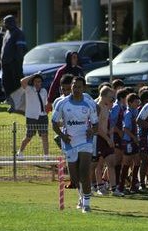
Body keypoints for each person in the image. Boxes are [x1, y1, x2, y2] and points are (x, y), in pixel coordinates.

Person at [52, 76, 98, 213]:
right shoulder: (62, 103)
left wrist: (92, 130)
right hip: (70, 142)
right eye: (74, 86)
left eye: (79, 87)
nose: (76, 89)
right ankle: (81, 196)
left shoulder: (89, 104)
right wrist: (63, 136)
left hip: (85, 140)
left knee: (85, 170)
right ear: (71, 87)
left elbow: (96, 124)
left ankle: (87, 204)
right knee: (75, 177)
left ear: (83, 88)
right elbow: (54, 123)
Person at [16, 73, 49, 159]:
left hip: (43, 116)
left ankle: (46, 156)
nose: (38, 83)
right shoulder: (29, 89)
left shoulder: (44, 91)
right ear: (33, 82)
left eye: (39, 81)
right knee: (29, 136)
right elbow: (22, 81)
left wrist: (47, 109)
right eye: (36, 81)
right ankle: (20, 152)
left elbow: (45, 103)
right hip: (32, 117)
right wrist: (34, 75)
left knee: (44, 136)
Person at [0, 15, 27, 111]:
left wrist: (16, 62)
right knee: (7, 85)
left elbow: (20, 50)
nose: (4, 24)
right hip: (5, 65)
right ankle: (12, 105)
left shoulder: (18, 33)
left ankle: (20, 106)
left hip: (14, 65)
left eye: (5, 22)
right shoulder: (7, 33)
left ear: (11, 22)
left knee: (16, 85)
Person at [117, 93, 140, 196]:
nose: (138, 103)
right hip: (128, 141)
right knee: (126, 162)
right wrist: (134, 137)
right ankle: (121, 186)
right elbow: (125, 128)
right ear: (130, 103)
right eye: (136, 101)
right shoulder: (127, 113)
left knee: (137, 161)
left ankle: (133, 185)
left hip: (134, 140)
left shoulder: (135, 112)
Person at [94, 86, 116, 196]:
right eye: (111, 97)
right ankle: (99, 187)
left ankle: (114, 188)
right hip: (99, 138)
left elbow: (106, 123)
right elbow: (96, 127)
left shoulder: (106, 106)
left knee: (111, 162)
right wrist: (107, 139)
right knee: (99, 164)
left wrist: (110, 134)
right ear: (104, 96)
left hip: (106, 137)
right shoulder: (97, 107)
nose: (113, 100)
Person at [110, 88, 128, 192]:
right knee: (116, 160)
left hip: (120, 137)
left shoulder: (123, 107)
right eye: (126, 97)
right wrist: (119, 132)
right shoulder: (117, 107)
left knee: (120, 160)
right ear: (122, 98)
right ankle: (115, 184)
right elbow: (112, 122)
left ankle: (117, 184)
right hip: (116, 136)